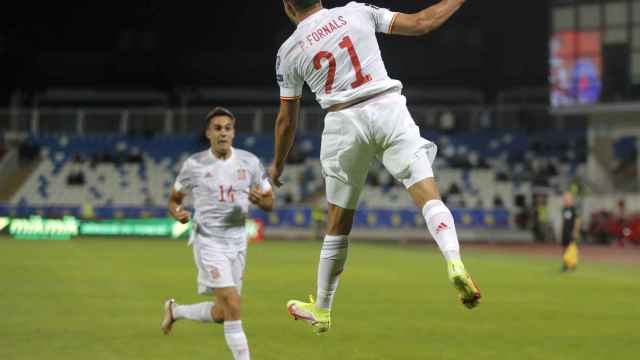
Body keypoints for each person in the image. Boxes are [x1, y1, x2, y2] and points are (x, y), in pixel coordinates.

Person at [268, 0, 480, 334]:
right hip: (387, 108)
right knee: (426, 193)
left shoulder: (289, 51)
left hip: (342, 121)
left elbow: (286, 121)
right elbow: (424, 22)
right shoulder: (356, 11)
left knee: (338, 221)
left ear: (287, 6)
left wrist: (277, 166)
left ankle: (322, 309)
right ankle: (454, 260)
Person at [161, 107, 274, 360]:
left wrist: (260, 200)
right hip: (208, 241)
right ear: (208, 134)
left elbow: (270, 202)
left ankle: (175, 311)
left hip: (237, 241)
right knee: (233, 304)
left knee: (223, 313)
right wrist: (177, 212)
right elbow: (173, 201)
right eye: (217, 128)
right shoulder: (194, 165)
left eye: (228, 128)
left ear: (233, 133)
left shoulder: (250, 162)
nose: (223, 133)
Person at [561, 191, 581, 271]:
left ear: (571, 199)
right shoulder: (564, 209)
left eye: (567, 199)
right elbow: (564, 220)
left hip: (571, 232)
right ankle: (565, 265)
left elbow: (578, 220)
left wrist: (575, 231)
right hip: (565, 232)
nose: (565, 200)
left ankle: (572, 265)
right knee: (565, 248)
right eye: (565, 199)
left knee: (572, 248)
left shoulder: (574, 209)